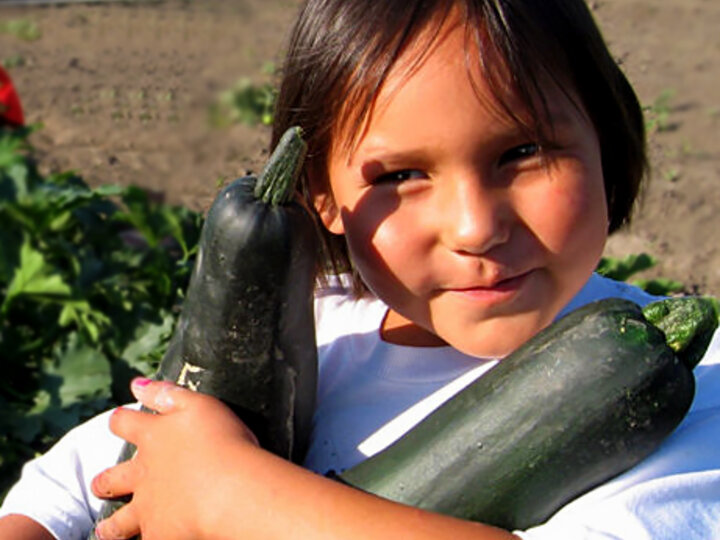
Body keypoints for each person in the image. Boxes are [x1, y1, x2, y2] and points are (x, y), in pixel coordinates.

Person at [2, 0, 720, 538]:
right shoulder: (309, 331)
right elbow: (65, 487)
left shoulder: (692, 387)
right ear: (323, 196)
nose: (475, 226)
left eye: (522, 153)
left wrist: (234, 490)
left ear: (609, 131)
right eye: (403, 173)